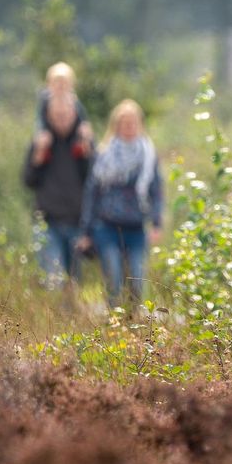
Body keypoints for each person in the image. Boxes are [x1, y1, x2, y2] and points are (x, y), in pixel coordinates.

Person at [77, 100, 163, 309]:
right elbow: (92, 193)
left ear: (139, 125)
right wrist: (85, 231)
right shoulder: (103, 155)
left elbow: (156, 191)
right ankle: (114, 325)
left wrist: (157, 222)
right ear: (116, 125)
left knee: (137, 280)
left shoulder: (148, 156)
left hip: (136, 229)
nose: (129, 127)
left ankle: (134, 326)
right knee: (114, 279)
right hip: (107, 227)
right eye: (125, 123)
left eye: (133, 123)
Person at [22, 94, 92, 293]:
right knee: (53, 282)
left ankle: (69, 323)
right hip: (48, 223)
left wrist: (88, 152)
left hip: (77, 223)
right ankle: (51, 322)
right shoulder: (42, 142)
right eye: (57, 115)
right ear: (49, 116)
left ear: (74, 114)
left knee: (74, 284)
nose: (62, 119)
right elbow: (28, 180)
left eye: (66, 115)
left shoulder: (83, 142)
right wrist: (38, 154)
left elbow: (94, 181)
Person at [36, 62, 93, 153]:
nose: (60, 85)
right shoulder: (45, 100)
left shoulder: (74, 100)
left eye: (64, 82)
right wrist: (42, 132)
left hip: (72, 137)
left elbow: (82, 118)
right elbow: (40, 119)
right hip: (51, 136)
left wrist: (84, 130)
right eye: (57, 82)